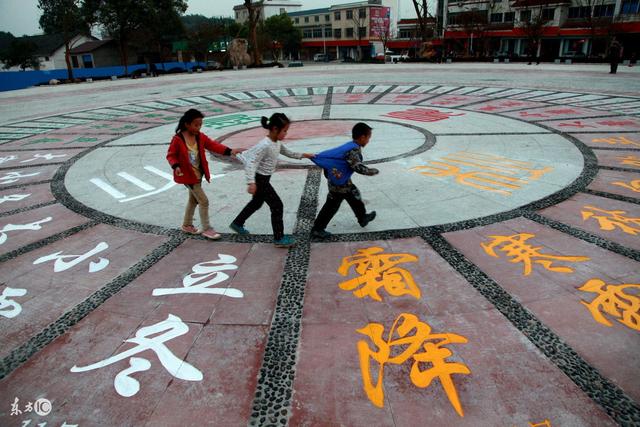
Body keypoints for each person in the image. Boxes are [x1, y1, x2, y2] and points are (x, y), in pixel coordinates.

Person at [229, 113, 314, 248]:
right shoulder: (265, 145)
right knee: (277, 206)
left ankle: (237, 223)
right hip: (260, 179)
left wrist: (304, 155)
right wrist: (251, 182)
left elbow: (289, 153)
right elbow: (251, 163)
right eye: (284, 130)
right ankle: (279, 238)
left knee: (256, 203)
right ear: (275, 129)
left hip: (264, 178)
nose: (286, 134)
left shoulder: (276, 142)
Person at [166, 108, 243, 240]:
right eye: (196, 125)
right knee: (203, 201)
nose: (198, 127)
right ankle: (207, 229)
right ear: (187, 124)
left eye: (200, 124)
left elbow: (213, 145)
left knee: (193, 200)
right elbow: (171, 155)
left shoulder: (200, 137)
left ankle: (187, 225)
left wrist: (230, 151)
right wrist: (176, 166)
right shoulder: (178, 139)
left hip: (198, 175)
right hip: (187, 176)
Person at [310, 122, 379, 239]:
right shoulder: (353, 150)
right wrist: (371, 171)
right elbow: (357, 167)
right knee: (332, 205)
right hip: (339, 183)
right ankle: (317, 229)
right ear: (362, 137)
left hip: (340, 180)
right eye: (368, 138)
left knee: (354, 195)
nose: (368, 140)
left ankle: (362, 218)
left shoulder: (351, 145)